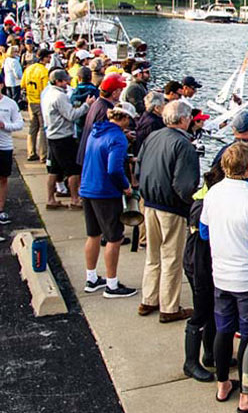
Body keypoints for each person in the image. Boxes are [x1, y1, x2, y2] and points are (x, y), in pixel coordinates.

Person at [200, 141, 248, 413]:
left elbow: (204, 232)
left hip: (221, 275)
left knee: (223, 330)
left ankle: (223, 384)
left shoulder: (213, 193)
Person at [136, 100, 200, 323]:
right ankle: (170, 307)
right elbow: (185, 184)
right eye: (189, 117)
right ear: (183, 119)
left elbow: (139, 165)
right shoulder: (184, 145)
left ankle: (148, 298)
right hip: (171, 206)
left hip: (149, 202)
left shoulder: (153, 136)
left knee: (153, 255)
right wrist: (191, 205)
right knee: (172, 257)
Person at [78, 105, 138, 299]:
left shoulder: (95, 132)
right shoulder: (118, 138)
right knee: (114, 237)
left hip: (88, 187)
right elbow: (113, 169)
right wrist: (126, 186)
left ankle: (91, 278)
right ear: (125, 119)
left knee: (93, 234)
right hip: (105, 193)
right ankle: (112, 284)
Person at [182, 163, 225, 382]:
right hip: (199, 266)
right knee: (200, 313)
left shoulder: (207, 199)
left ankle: (210, 354)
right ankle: (190, 362)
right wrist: (201, 278)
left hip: (207, 265)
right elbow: (199, 248)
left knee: (212, 311)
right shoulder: (202, 207)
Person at [40, 69, 93, 209]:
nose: (67, 82)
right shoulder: (60, 96)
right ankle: (75, 199)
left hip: (52, 135)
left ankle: (50, 199)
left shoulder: (47, 93)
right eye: (65, 80)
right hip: (63, 136)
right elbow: (71, 115)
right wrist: (87, 105)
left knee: (54, 170)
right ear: (57, 81)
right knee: (73, 170)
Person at [76, 72, 127, 166]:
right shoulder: (105, 110)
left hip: (87, 153)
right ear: (114, 93)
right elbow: (104, 137)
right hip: (93, 158)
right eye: (120, 90)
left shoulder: (97, 103)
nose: (121, 93)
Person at [21, 47, 52, 162]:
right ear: (44, 58)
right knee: (43, 128)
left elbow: (23, 84)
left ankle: (31, 152)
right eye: (48, 57)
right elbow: (45, 89)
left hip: (31, 100)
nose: (49, 59)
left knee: (33, 128)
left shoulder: (28, 69)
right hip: (40, 102)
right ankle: (43, 155)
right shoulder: (44, 71)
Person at [0, 88, 24, 225]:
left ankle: (1, 209)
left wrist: (5, 125)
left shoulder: (10, 104)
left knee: (3, 178)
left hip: (5, 147)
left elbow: (19, 124)